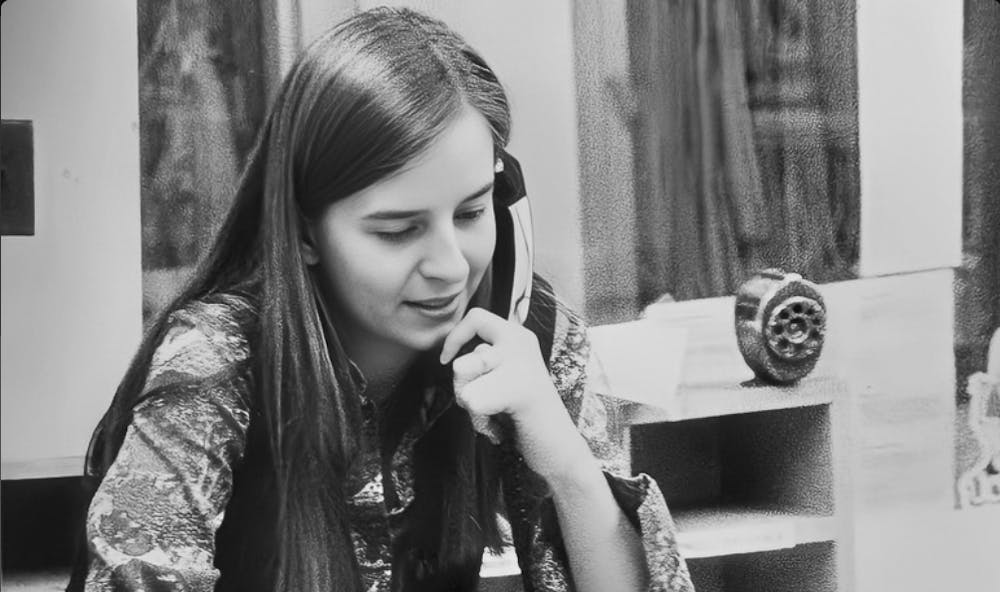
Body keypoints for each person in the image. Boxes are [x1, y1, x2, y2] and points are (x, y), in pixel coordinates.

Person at [70, 7, 694, 592]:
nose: (451, 266)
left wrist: (567, 465)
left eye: (472, 212)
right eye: (398, 231)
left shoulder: (528, 335)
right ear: (305, 232)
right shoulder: (219, 360)